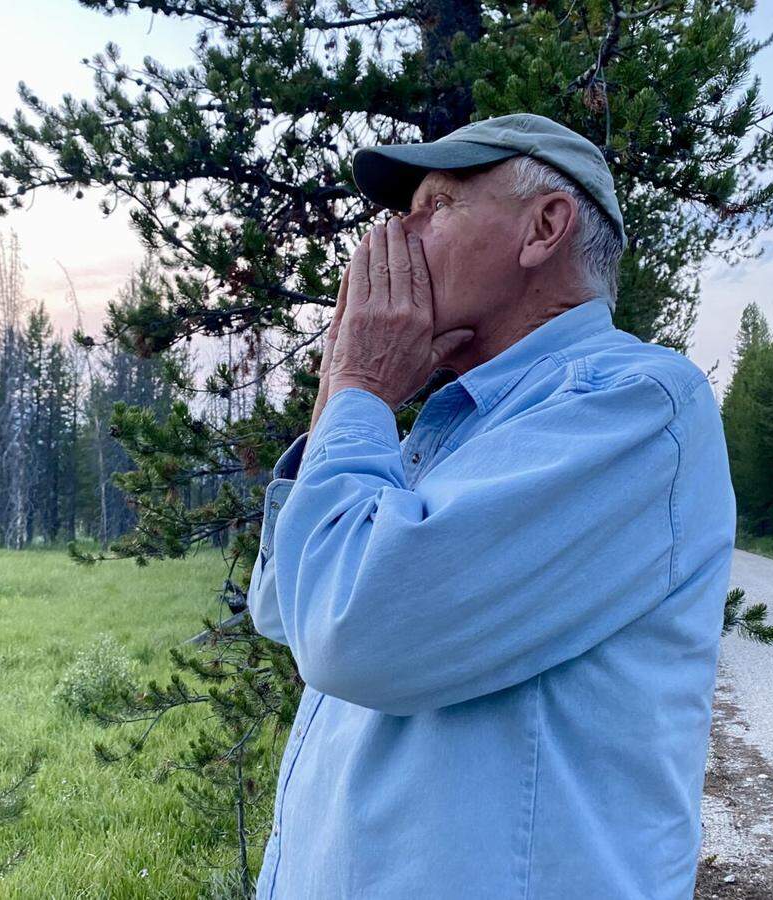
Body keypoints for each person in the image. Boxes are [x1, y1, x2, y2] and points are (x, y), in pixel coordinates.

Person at [246, 112, 736, 899]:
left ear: (544, 227)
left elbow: (350, 625)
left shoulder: (635, 404)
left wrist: (361, 389)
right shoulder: (462, 420)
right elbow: (286, 606)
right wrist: (344, 392)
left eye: (435, 203)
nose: (397, 232)